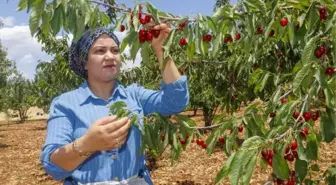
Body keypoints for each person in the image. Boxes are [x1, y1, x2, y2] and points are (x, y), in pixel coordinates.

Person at [40, 22, 190, 185]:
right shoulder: (65, 104)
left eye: (115, 50)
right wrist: (87, 144)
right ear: (84, 62)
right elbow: (52, 166)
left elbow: (176, 102)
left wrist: (162, 50)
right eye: (100, 51)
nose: (110, 56)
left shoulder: (134, 95)